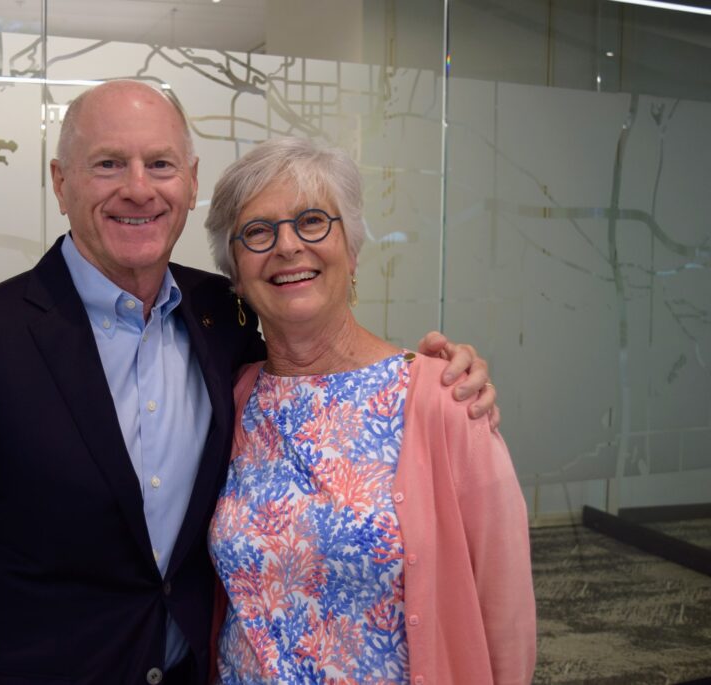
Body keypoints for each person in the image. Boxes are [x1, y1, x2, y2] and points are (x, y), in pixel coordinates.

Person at [0, 81, 497, 685]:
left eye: (161, 164)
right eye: (109, 163)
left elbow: (320, 348)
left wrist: (440, 369)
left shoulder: (226, 317)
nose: (138, 188)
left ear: (192, 181)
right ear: (61, 184)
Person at [205, 138, 535, 684]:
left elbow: (506, 615)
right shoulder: (233, 396)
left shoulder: (445, 399)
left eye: (312, 221)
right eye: (258, 232)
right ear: (235, 275)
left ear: (352, 250)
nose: (288, 246)